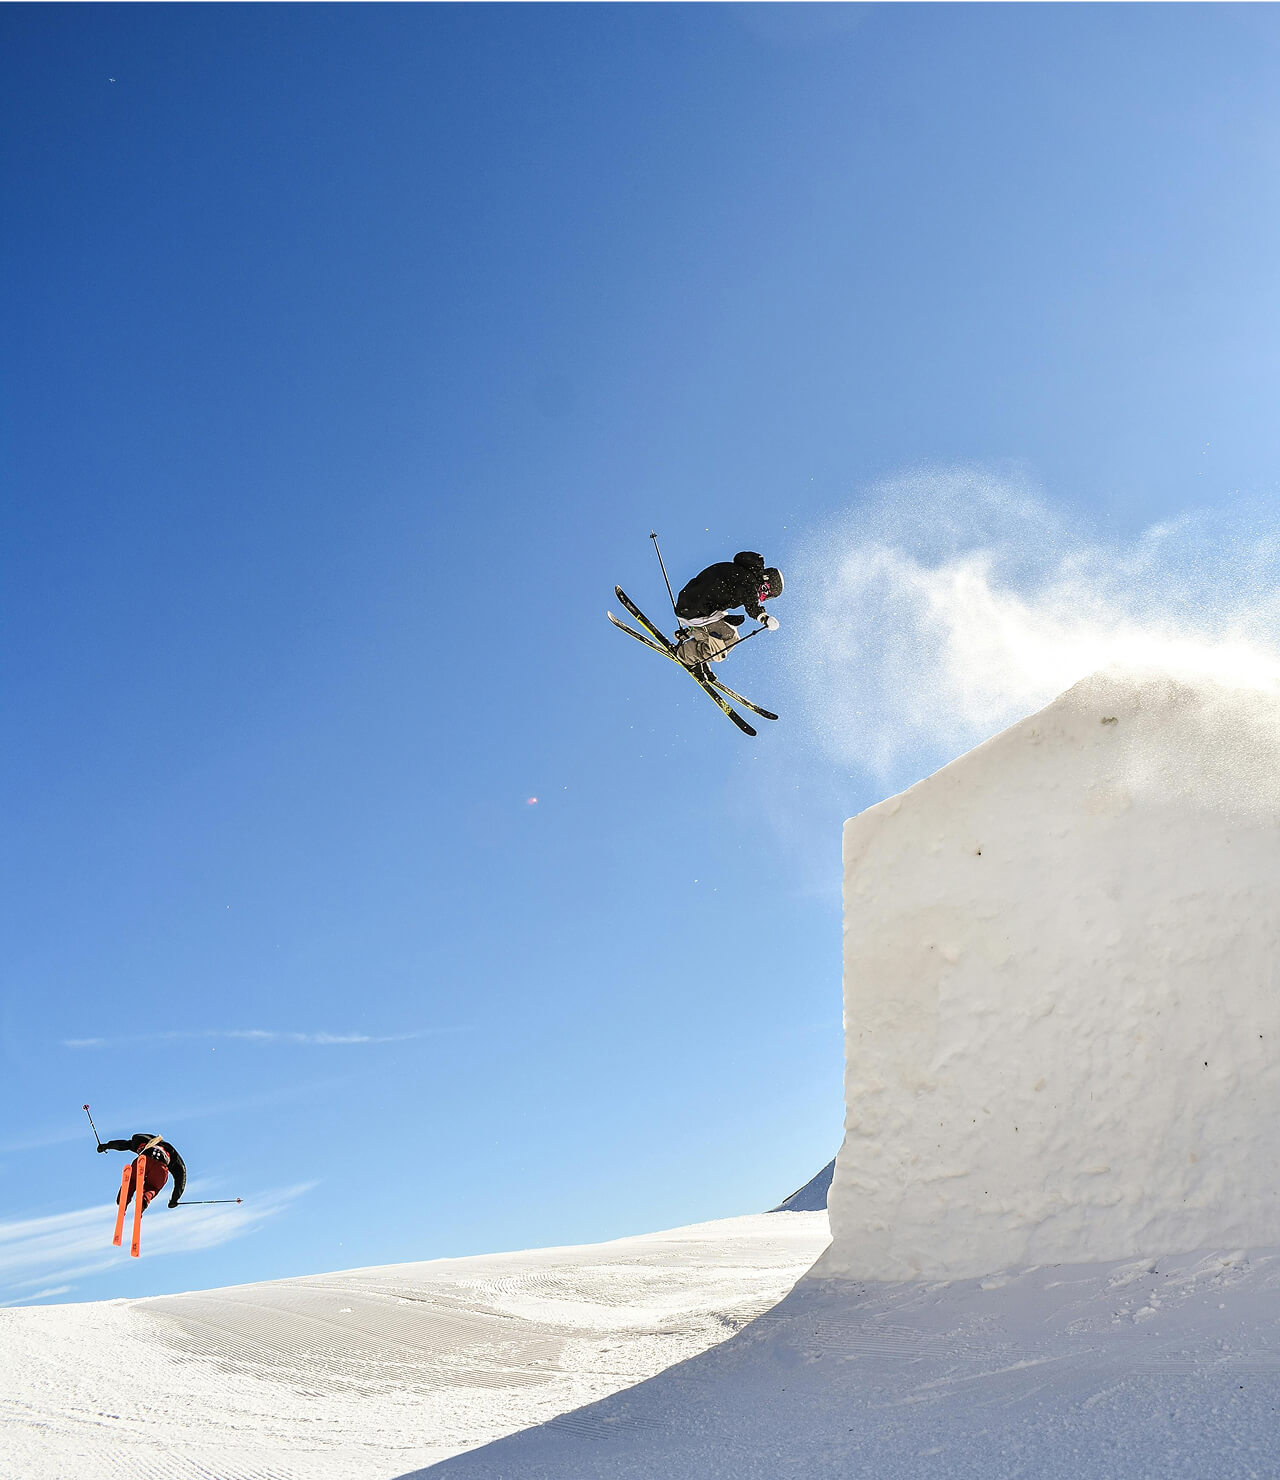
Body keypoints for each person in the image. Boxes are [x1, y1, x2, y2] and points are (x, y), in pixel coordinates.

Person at [673, 551, 783, 676]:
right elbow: (752, 607)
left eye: (765, 597)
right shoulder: (749, 581)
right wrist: (764, 618)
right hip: (695, 611)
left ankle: (690, 636)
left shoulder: (739, 572)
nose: (761, 596)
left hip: (688, 605)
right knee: (731, 637)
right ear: (765, 581)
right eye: (765, 593)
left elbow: (713, 591)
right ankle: (687, 655)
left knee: (725, 624)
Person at [98, 1132, 187, 1211]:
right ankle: (143, 1201)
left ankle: (123, 1198)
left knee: (132, 1180)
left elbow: (122, 1144)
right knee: (153, 1187)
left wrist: (106, 1146)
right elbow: (181, 1177)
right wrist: (174, 1199)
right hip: (161, 1167)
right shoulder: (171, 1153)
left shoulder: (139, 1142)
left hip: (144, 1159)